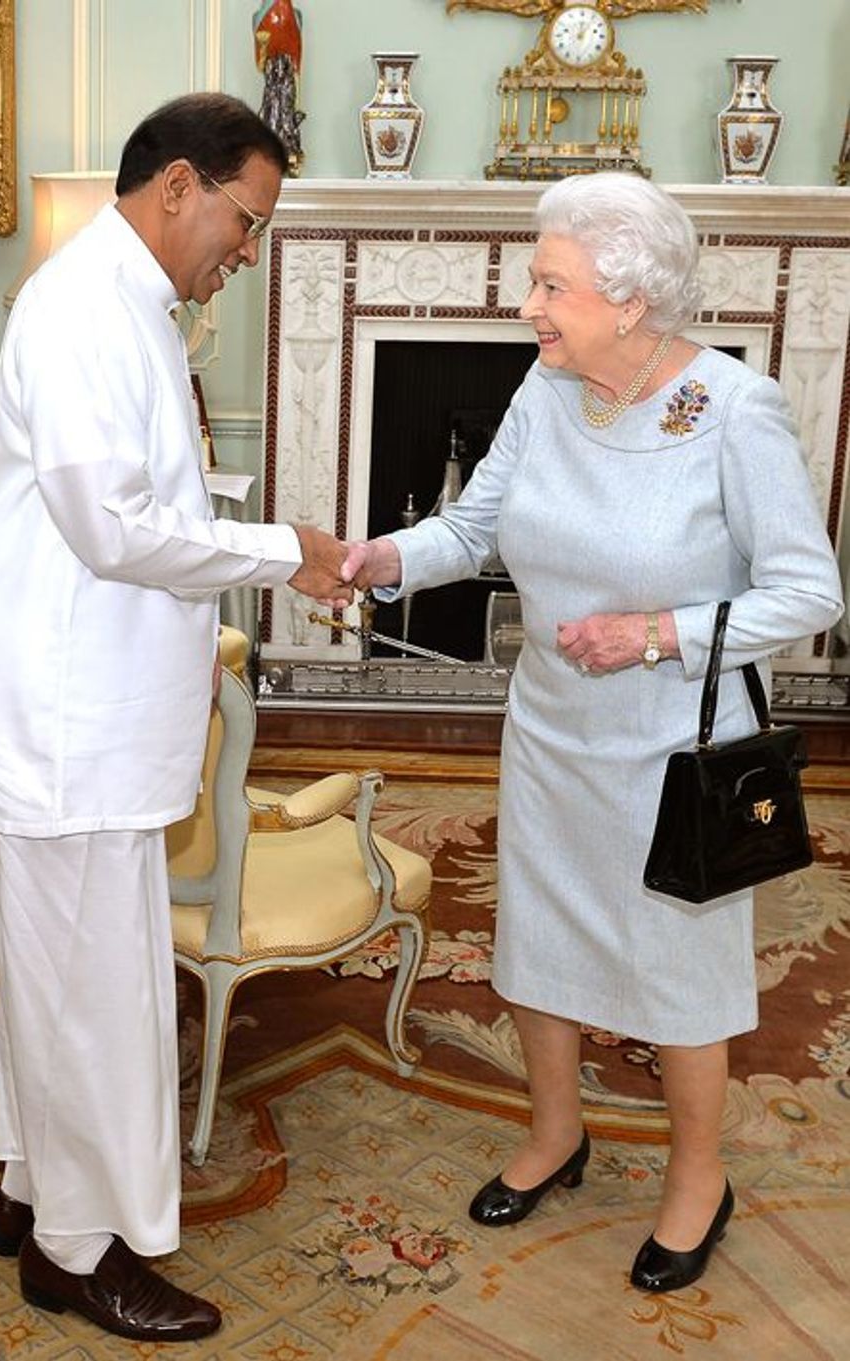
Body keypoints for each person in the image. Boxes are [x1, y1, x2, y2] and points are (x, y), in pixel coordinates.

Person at [341, 172, 843, 1293]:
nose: (527, 303)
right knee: (542, 942)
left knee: (679, 965)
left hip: (678, 747)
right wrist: (383, 558)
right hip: (554, 729)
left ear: (627, 299)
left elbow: (808, 590)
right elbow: (473, 527)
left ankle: (696, 1177)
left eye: (548, 282)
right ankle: (556, 1130)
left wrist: (659, 631)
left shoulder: (732, 408)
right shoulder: (547, 388)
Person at [0, 93, 351, 1343]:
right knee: (95, 997)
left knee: (61, 980)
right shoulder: (84, 309)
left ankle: (32, 1191)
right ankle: (78, 1254)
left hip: (92, 720)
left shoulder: (130, 303)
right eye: (245, 220)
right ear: (177, 184)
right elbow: (110, 525)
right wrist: (281, 548)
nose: (246, 250)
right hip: (69, 727)